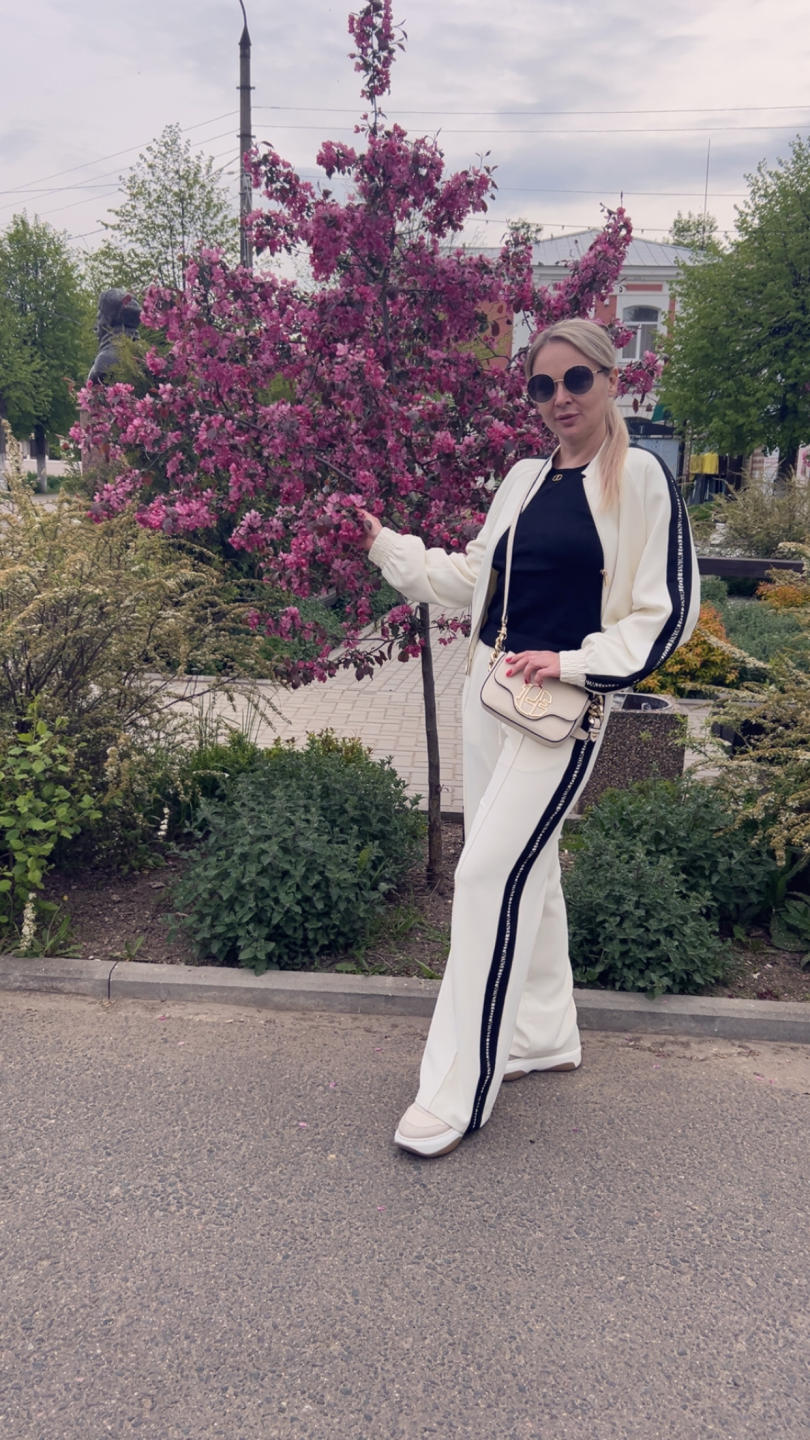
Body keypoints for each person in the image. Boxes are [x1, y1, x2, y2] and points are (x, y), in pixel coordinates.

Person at [358, 317, 700, 1158]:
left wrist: (577, 662)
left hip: (561, 711)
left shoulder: (641, 478)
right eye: (543, 386)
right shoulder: (523, 477)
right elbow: (474, 577)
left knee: (484, 876)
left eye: (576, 380)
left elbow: (666, 614)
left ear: (612, 380)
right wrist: (387, 547)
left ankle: (457, 1087)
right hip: (489, 695)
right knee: (529, 871)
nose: (559, 399)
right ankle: (544, 1034)